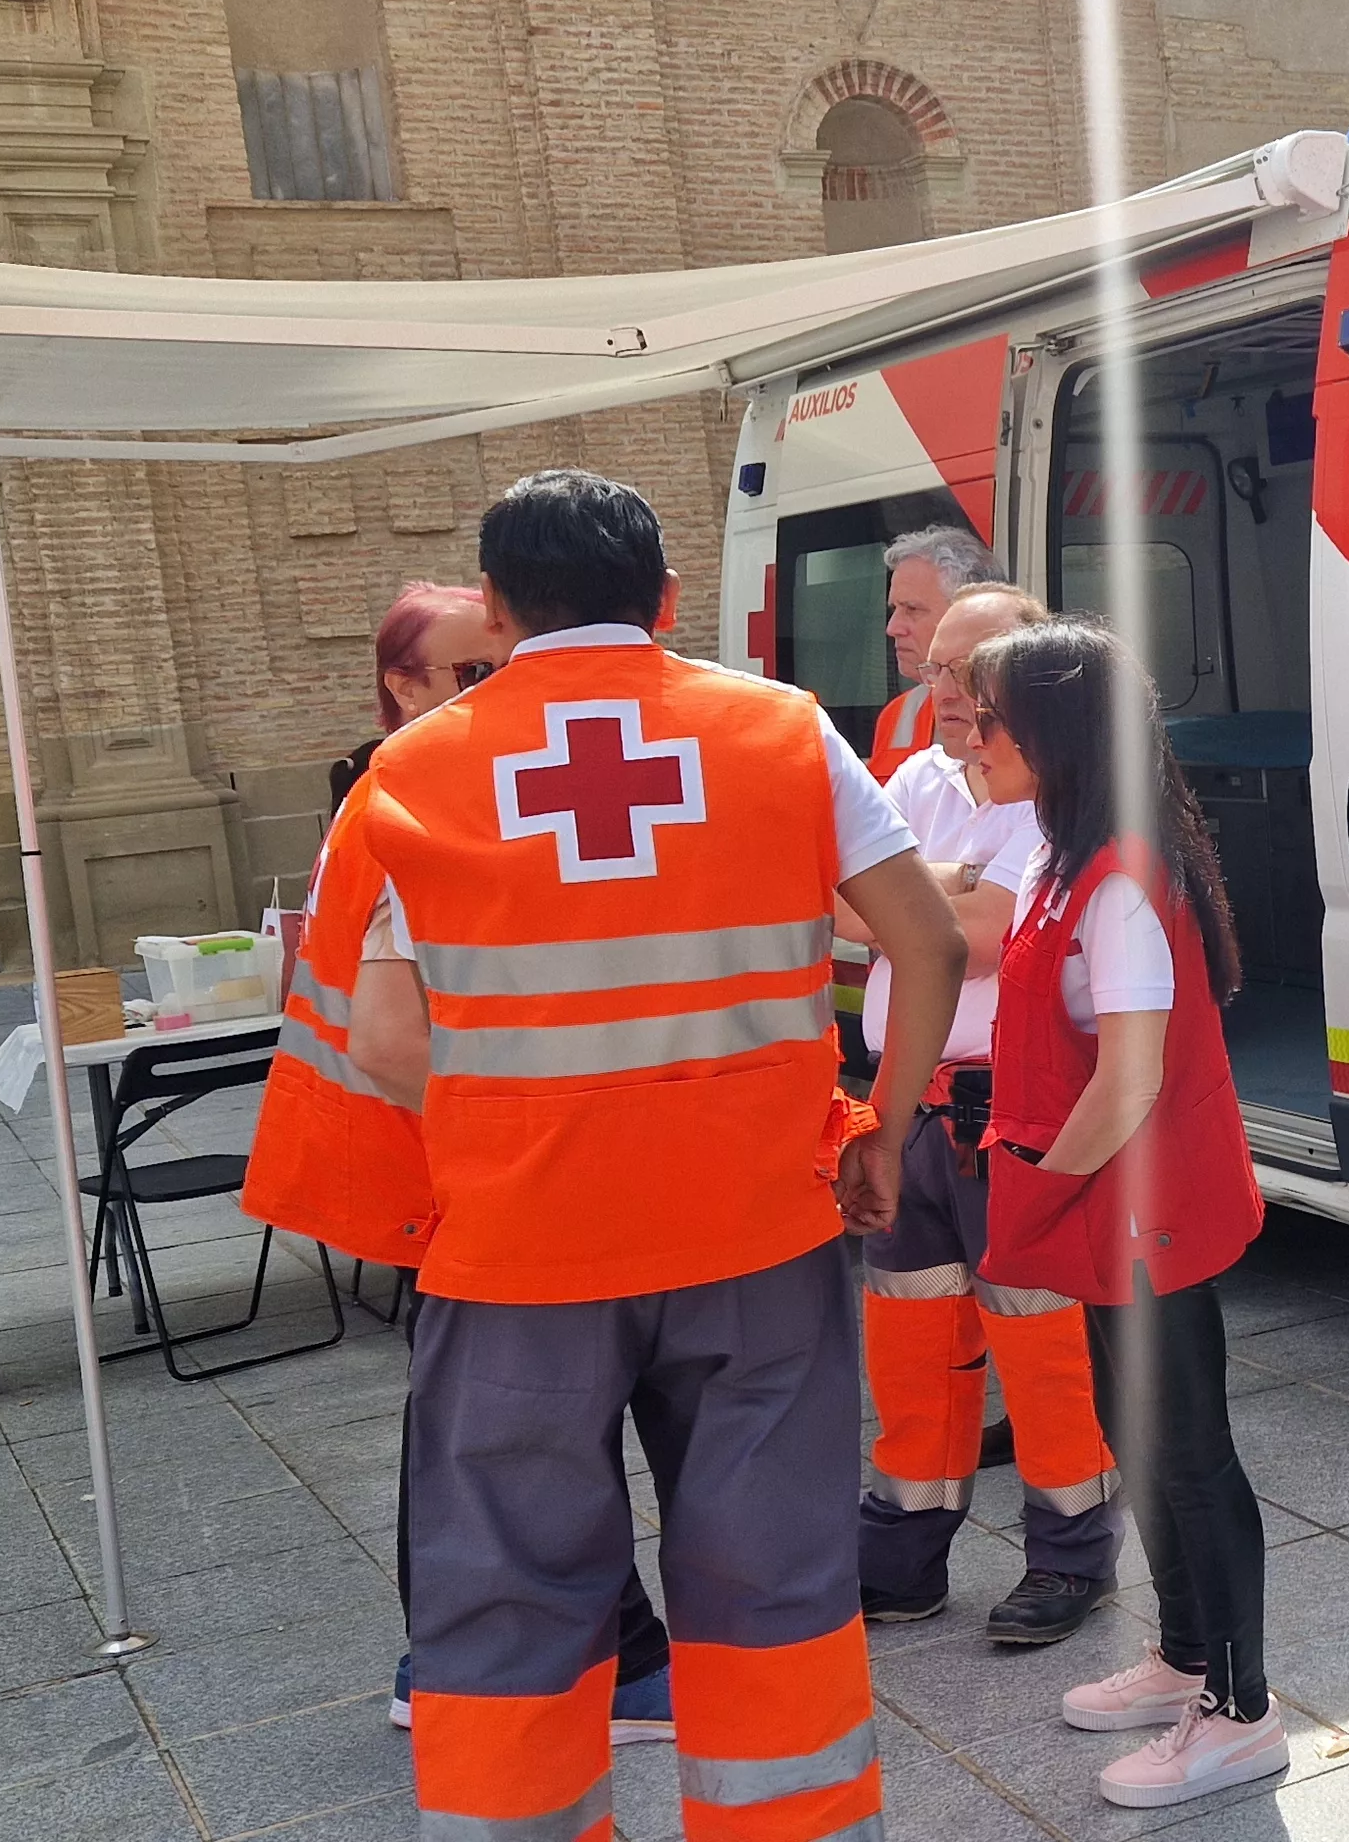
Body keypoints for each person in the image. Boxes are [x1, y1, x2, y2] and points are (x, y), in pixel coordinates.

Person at [326, 469, 966, 1842]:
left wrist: (525, 1125)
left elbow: (377, 1038)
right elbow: (932, 941)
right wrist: (886, 1133)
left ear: (493, 610)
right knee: (773, 1578)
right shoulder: (783, 731)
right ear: (669, 598)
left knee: (507, 1595)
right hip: (759, 1235)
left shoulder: (412, 773)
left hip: (515, 1259)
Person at [248, 578, 682, 1744]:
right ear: (401, 685)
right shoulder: (410, 798)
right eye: (471, 673)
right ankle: (508, 1665)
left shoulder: (449, 782)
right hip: (457, 1165)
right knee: (500, 1434)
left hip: (470, 1162)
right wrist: (529, 1140)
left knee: (509, 1426)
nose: (503, 691)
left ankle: (567, 1655)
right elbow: (395, 1041)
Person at [963, 619, 1286, 1810]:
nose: (966, 735)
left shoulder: (1120, 883)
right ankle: (1186, 1657)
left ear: (1052, 733)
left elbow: (1131, 1077)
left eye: (986, 715)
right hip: (1109, 1209)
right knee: (1136, 1436)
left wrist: (1039, 1187)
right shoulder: (1062, 860)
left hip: (1141, 1213)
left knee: (1190, 1454)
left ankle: (1242, 1712)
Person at [845, 581, 1122, 1643]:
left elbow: (977, 941)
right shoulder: (917, 775)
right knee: (909, 1348)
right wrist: (928, 894)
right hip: (907, 1110)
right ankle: (901, 1560)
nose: (944, 691)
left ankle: (1069, 1558)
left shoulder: (1056, 788)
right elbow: (832, 897)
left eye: (969, 671)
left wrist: (901, 902)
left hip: (1010, 1114)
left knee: (1040, 1351)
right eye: (937, 670)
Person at [331, 581, 515, 805]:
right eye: (478, 672)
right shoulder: (375, 809)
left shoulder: (519, 770)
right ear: (406, 690)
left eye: (511, 670)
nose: (503, 686)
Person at [871, 525, 1003, 784]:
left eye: (912, 609)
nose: (892, 628)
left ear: (966, 613)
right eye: (894, 609)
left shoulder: (1024, 714)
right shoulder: (897, 714)